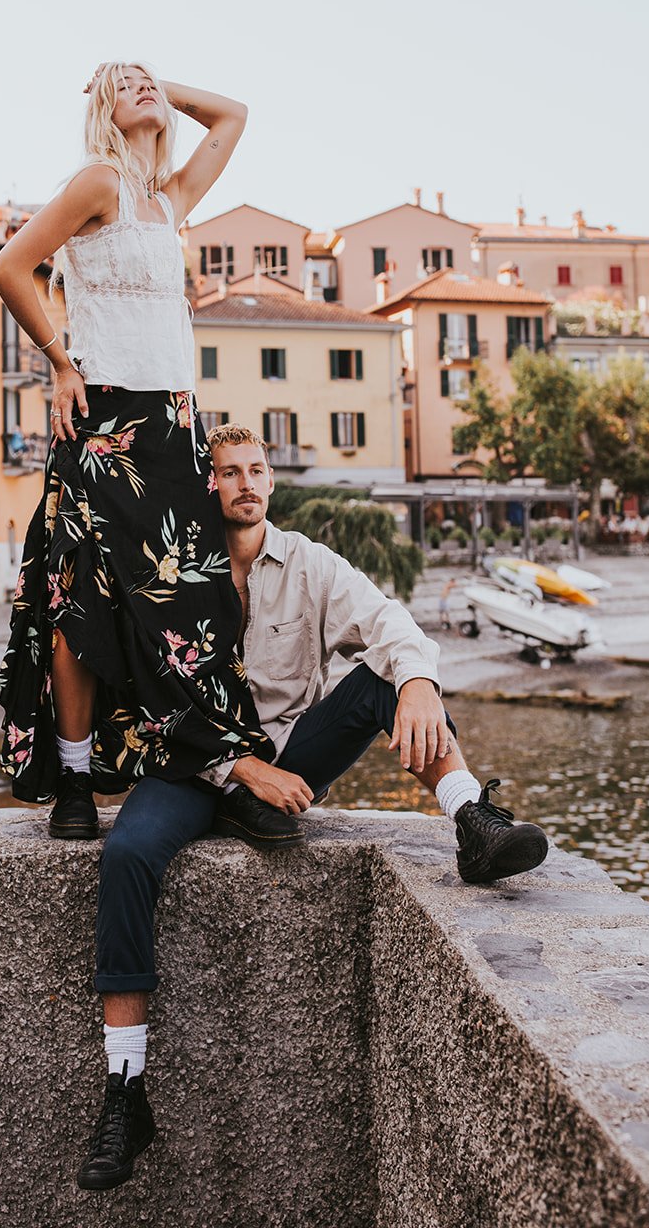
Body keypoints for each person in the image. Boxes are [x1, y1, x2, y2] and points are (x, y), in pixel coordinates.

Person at [76, 422, 549, 1192]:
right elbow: (147, 699)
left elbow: (389, 621)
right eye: (227, 472)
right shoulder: (170, 570)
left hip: (290, 767)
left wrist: (420, 681)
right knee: (127, 856)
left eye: (256, 469)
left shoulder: (306, 563)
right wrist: (240, 768)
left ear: (272, 480)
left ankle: (470, 818)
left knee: (384, 677)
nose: (245, 483)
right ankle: (125, 1091)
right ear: (207, 487)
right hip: (191, 768)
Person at [0, 63, 275, 830]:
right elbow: (8, 266)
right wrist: (58, 360)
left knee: (194, 601)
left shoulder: (167, 200)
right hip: (104, 418)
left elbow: (234, 116)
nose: (143, 90)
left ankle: (209, 760)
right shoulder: (97, 183)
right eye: (124, 84)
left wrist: (154, 80)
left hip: (174, 424)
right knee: (81, 608)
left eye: (146, 82)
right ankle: (77, 783)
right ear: (100, 110)